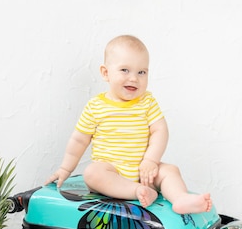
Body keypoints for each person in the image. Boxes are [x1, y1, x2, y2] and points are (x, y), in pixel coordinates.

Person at [45, 35, 212, 214]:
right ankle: (136, 191)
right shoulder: (96, 106)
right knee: (92, 173)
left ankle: (180, 199)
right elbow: (79, 141)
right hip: (111, 174)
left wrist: (150, 161)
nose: (134, 78)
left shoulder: (147, 102)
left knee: (170, 170)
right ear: (105, 72)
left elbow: (160, 130)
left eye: (142, 72)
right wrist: (65, 168)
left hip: (144, 172)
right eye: (125, 70)